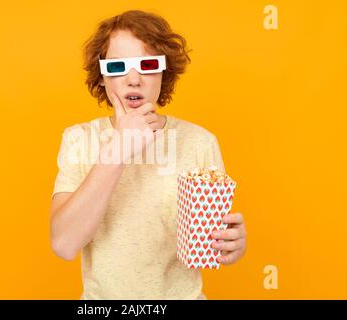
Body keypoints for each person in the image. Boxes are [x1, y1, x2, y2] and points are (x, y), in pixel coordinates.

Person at [50, 10, 247, 300]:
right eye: (118, 66)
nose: (134, 79)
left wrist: (232, 246)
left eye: (148, 64)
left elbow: (211, 243)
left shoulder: (199, 142)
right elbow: (64, 244)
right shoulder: (79, 140)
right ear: (102, 77)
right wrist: (119, 149)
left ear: (163, 74)